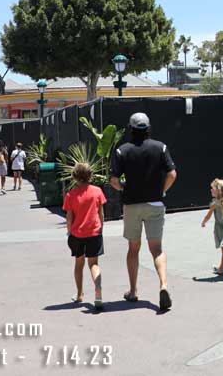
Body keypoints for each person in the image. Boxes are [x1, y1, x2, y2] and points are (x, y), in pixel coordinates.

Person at [110, 112, 177, 311]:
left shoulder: (122, 151)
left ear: (131, 129)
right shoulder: (160, 147)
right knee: (156, 249)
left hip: (131, 204)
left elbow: (114, 180)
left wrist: (123, 188)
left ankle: (133, 290)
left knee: (133, 249)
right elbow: (173, 173)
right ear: (148, 128)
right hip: (155, 204)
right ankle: (163, 285)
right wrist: (162, 190)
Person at [63, 162, 106, 313]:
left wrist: (69, 232)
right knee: (93, 264)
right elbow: (101, 213)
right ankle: (98, 288)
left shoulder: (70, 195)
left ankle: (80, 294)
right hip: (94, 232)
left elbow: (69, 217)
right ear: (90, 175)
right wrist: (101, 228)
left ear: (74, 176)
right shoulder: (97, 191)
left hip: (77, 234)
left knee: (79, 263)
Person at [201, 179, 223, 282]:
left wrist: (204, 222)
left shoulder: (215, 203)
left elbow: (208, 216)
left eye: (213, 188)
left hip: (220, 228)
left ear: (219, 191)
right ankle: (221, 269)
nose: (211, 190)